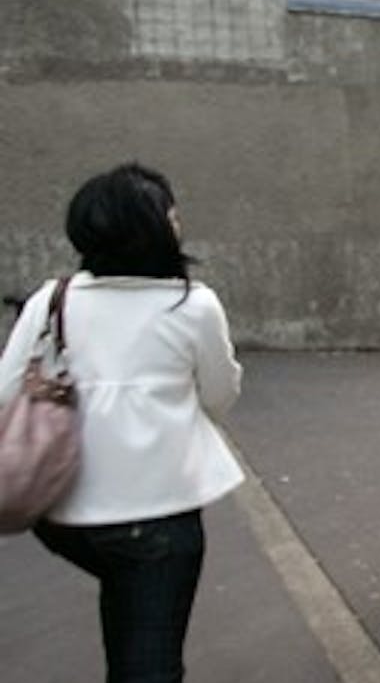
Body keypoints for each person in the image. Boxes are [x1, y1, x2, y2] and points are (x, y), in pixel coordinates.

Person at [0, 162, 243, 682]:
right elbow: (220, 395)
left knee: (124, 595)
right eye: (172, 215)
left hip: (61, 515)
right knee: (149, 661)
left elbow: (4, 394)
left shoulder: (53, 299)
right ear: (156, 228)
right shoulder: (192, 305)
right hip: (158, 517)